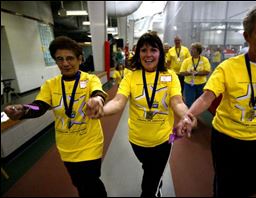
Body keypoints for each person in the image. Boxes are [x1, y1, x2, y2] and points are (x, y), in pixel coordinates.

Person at [175, 2, 256, 197]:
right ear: (247, 36)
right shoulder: (228, 67)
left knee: (250, 187)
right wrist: (189, 115)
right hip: (226, 138)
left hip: (255, 140)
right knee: (225, 187)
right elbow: (206, 97)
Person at [4, 36, 108, 197]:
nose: (65, 63)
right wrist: (23, 109)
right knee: (79, 183)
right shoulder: (51, 85)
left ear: (80, 59)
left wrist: (97, 99)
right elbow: (38, 106)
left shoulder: (90, 79)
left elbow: (98, 92)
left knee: (91, 181)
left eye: (70, 58)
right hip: (66, 146)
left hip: (90, 143)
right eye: (60, 59)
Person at [97, 32, 191, 197]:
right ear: (138, 53)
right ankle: (156, 180)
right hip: (137, 140)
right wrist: (101, 110)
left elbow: (177, 102)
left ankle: (152, 188)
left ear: (160, 53)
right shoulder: (130, 76)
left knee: (148, 186)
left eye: (153, 50)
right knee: (149, 168)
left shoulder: (170, 76)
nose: (148, 55)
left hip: (165, 139)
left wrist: (186, 115)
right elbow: (118, 101)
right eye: (144, 50)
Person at [179, 42, 211, 108]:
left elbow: (207, 71)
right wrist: (190, 73)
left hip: (201, 85)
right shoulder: (186, 61)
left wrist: (196, 73)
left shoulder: (205, 60)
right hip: (189, 85)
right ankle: (189, 116)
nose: (191, 50)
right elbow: (181, 73)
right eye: (191, 49)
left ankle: (196, 116)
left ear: (198, 51)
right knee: (189, 103)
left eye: (193, 49)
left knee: (199, 103)